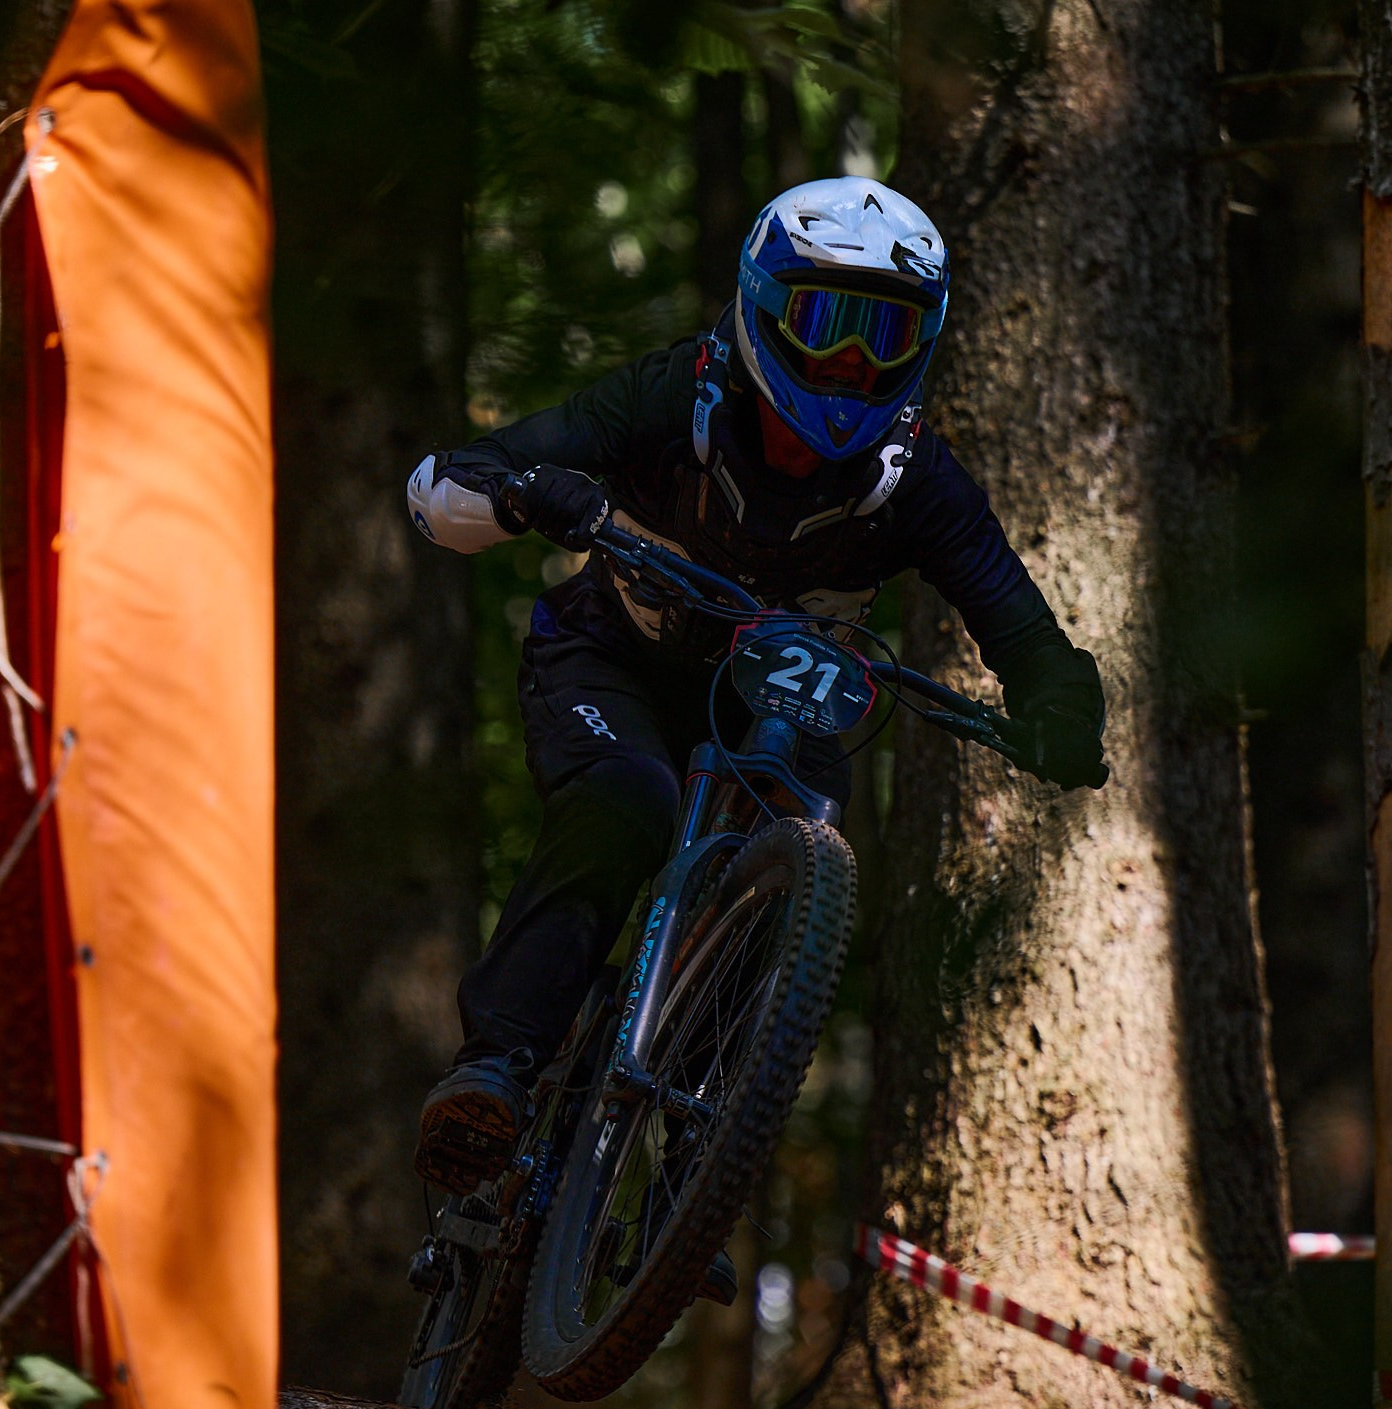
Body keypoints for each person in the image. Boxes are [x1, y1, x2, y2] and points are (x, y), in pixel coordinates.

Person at [403, 175, 1107, 1195]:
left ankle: (701, 1156)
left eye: (883, 336)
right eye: (824, 323)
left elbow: (1021, 626)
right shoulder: (667, 395)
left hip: (782, 699)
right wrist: (517, 491)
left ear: (925, 342)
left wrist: (1061, 710)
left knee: (795, 857)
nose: (852, 362)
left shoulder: (918, 481)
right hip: (613, 659)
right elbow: (448, 490)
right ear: (764, 309)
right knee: (624, 801)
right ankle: (497, 1067)